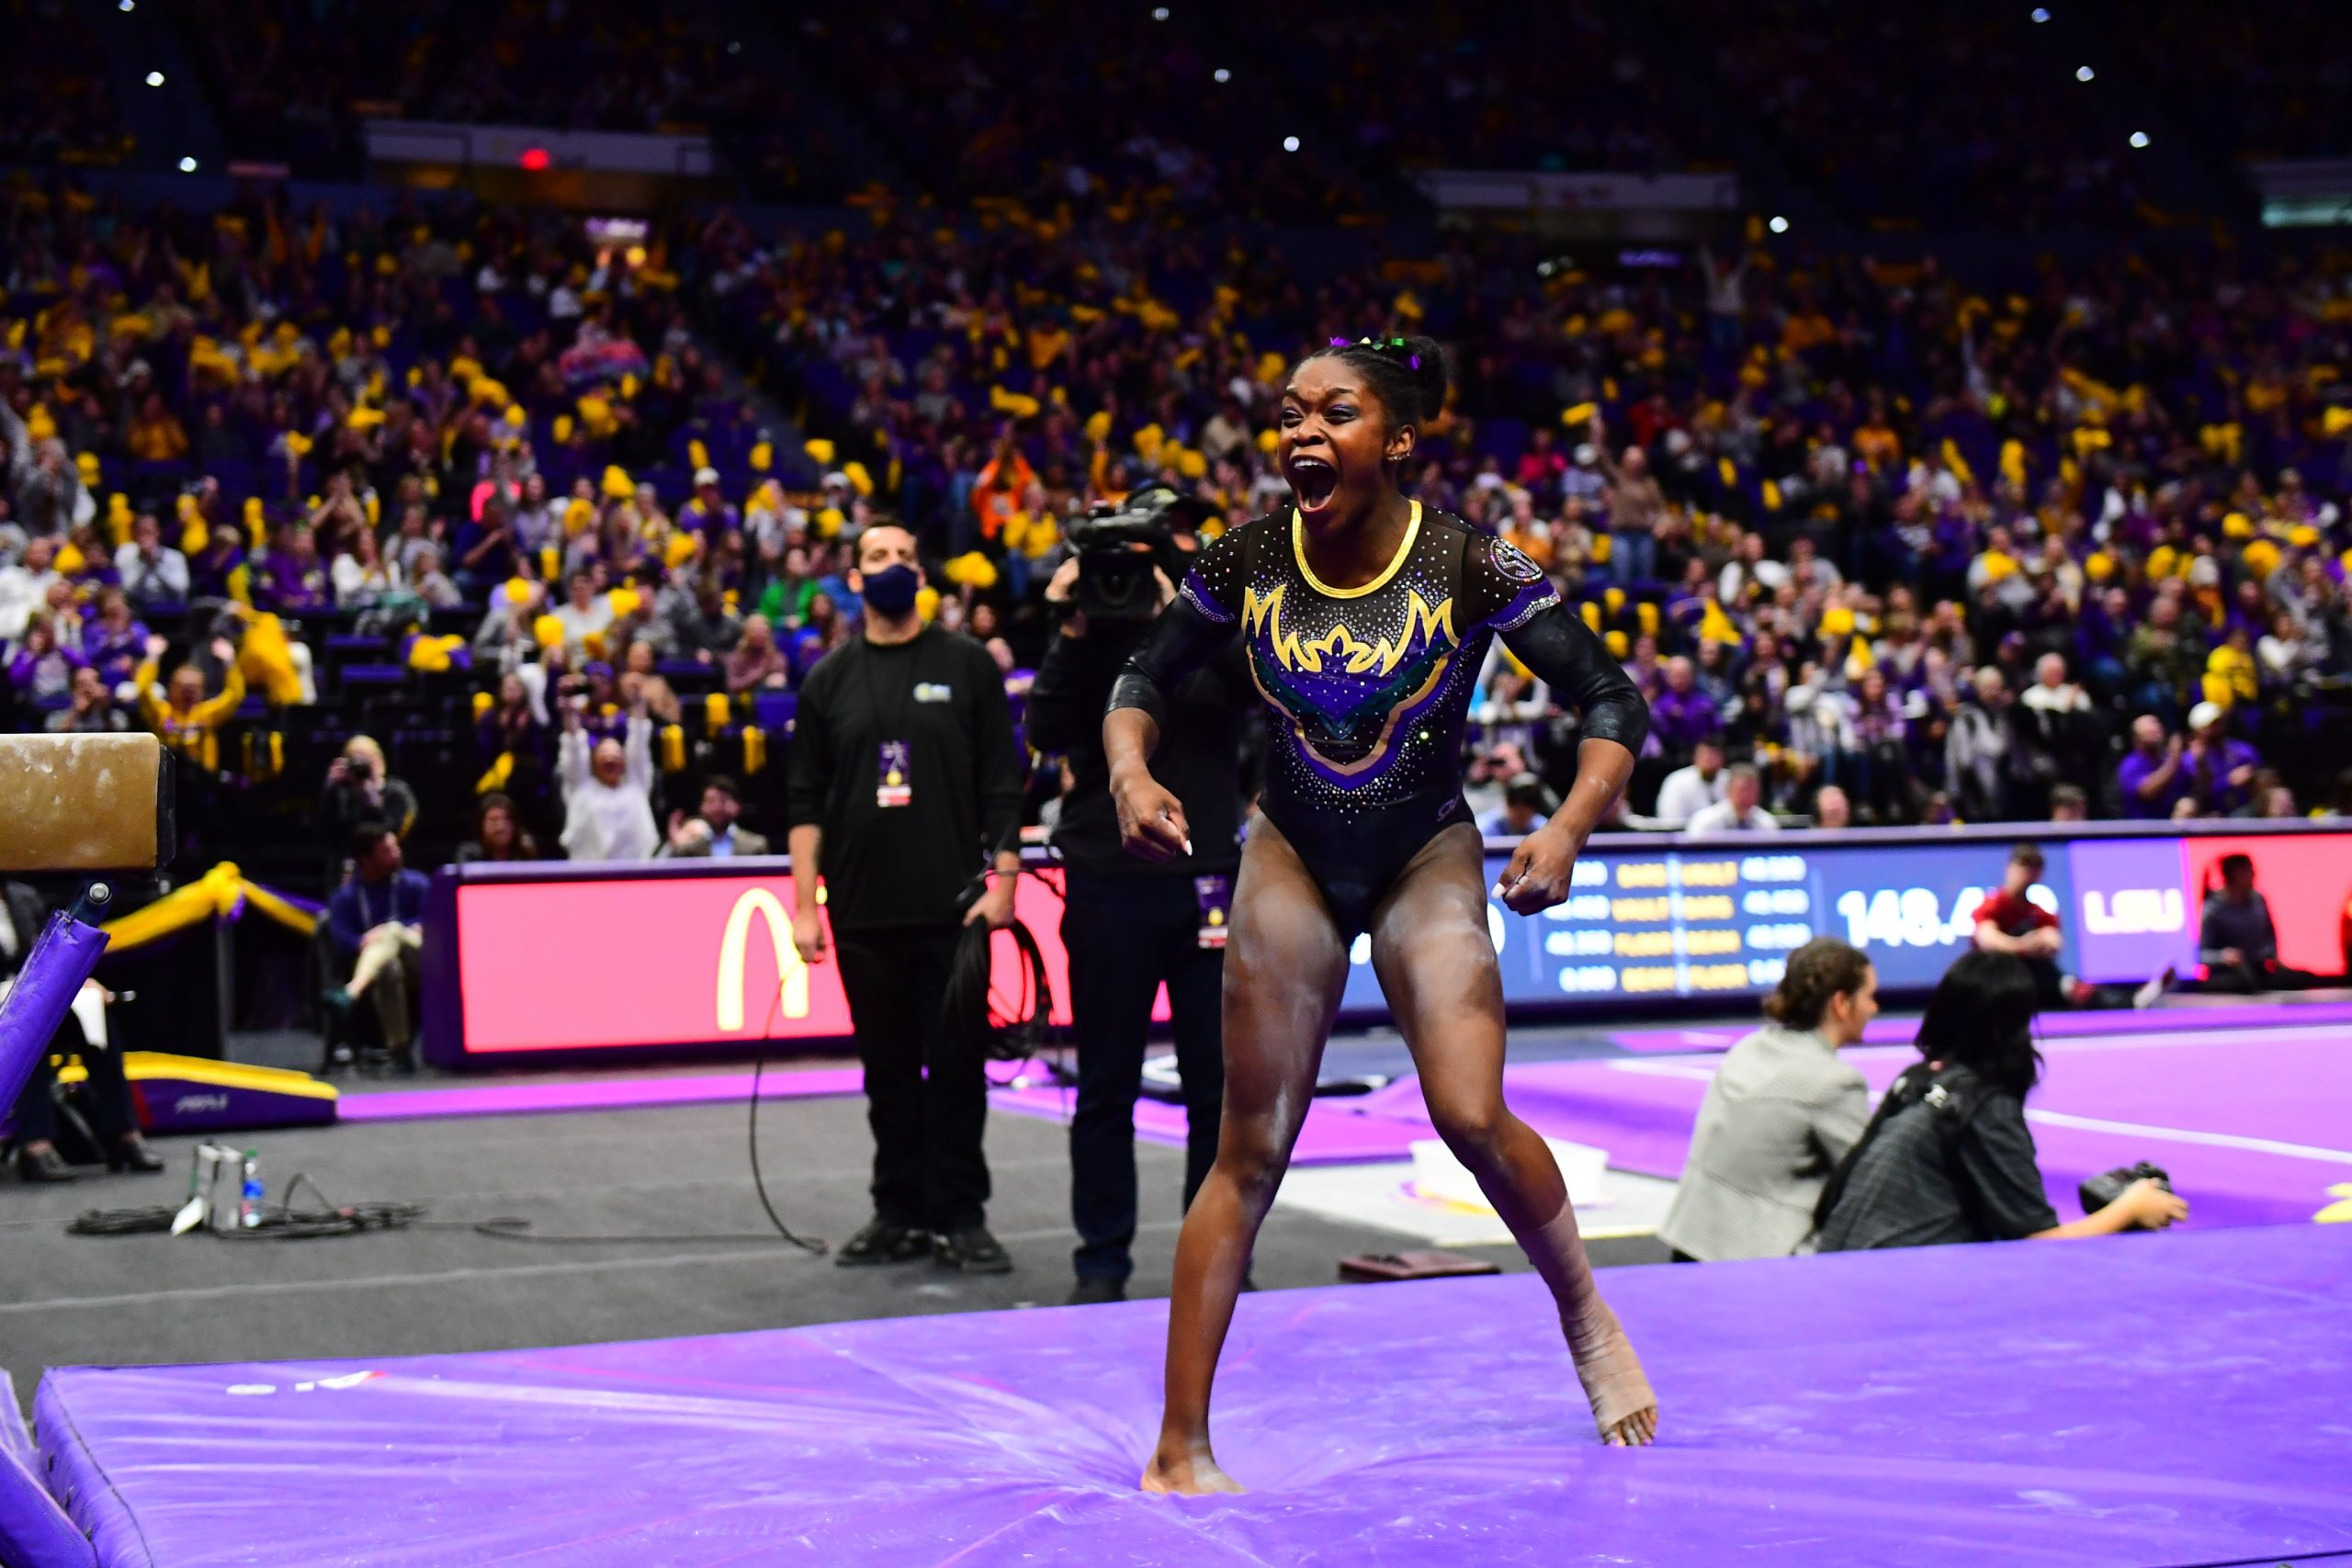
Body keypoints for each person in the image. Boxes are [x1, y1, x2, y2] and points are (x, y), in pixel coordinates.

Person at [1108, 334, 1658, 1493]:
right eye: (1289, 413)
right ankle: (1178, 1446)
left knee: (1469, 1112)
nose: (1301, 431)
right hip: (1292, 853)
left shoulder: (1468, 562)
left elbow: (1610, 697)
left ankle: (1585, 1312)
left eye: (1334, 412)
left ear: (1397, 440)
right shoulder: (1248, 557)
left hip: (1423, 852)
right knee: (1248, 1150)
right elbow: (1141, 678)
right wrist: (1127, 770)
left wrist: (1568, 828)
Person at [786, 521, 1025, 1275]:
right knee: (886, 1074)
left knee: (956, 1069)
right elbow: (805, 800)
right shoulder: (827, 679)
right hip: (862, 909)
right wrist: (804, 906)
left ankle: (960, 1214)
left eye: (903, 556)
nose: (892, 566)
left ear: (921, 574)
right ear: (854, 578)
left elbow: (1001, 780)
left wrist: (1006, 882)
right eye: (877, 556)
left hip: (956, 910)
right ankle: (898, 1211)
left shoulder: (967, 664)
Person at [1025, 541, 1254, 1305]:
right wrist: (1070, 627)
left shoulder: (1210, 645)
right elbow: (1046, 726)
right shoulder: (1088, 644)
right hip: (1107, 879)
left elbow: (1255, 690)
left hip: (1204, 879)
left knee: (1216, 1088)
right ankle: (1101, 1260)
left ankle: (1218, 1259)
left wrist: (1185, 613)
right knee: (1105, 1083)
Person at [1815, 952, 2188, 1251]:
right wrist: (2129, 1208)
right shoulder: (1984, 1106)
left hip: (1838, 1261)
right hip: (1891, 1281)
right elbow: (2040, 1244)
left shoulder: (1915, 1081)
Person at [1657, 938, 1876, 1261]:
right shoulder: (1836, 1083)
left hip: (1690, 1242)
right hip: (1757, 1261)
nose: (1874, 1009)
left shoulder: (1748, 1047)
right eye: (1870, 997)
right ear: (1841, 1003)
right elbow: (1872, 1181)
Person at [3, 880, 163, 1182]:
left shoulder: (23, 896)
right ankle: (36, 1145)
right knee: (29, 1032)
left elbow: (50, 953)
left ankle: (123, 1134)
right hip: (6, 1014)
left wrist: (82, 980)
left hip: (30, 995)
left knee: (97, 1016)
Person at [324, 823, 429, 1068]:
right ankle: (400, 1050)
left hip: (422, 960)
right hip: (380, 966)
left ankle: (351, 992)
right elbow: (342, 941)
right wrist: (363, 940)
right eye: (387, 851)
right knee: (387, 967)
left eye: (395, 848)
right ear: (366, 860)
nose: (396, 854)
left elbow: (434, 920)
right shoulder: (345, 898)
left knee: (392, 930)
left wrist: (398, 929)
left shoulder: (416, 884)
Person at [1970, 843, 2079, 1008]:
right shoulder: (1992, 904)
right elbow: (1987, 940)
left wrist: (2037, 941)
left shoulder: (2038, 912)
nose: (2027, 873)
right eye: (2023, 865)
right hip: (1995, 979)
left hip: (2032, 981)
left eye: (2034, 867)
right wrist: (2022, 945)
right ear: (2009, 868)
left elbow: (2054, 941)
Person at [557, 688, 659, 861]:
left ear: (624, 762)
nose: (610, 758)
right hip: (588, 871)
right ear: (593, 762)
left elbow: (639, 745)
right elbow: (574, 748)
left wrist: (638, 701)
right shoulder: (581, 788)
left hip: (633, 871)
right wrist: (570, 713)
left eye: (616, 755)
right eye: (604, 755)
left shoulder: (636, 786)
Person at [318, 736, 419, 874]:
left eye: (367, 760)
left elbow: (395, 834)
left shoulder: (397, 792)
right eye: (354, 761)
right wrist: (330, 789)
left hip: (390, 872)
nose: (362, 767)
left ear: (379, 760)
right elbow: (327, 836)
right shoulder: (343, 795)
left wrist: (372, 802)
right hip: (346, 872)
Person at [659, 774, 771, 858]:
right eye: (710, 801)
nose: (717, 808)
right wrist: (673, 846)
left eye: (723, 801)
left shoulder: (756, 846)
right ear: (701, 807)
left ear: (737, 806)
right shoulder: (689, 850)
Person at [2116, 714, 2188, 820]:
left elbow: (2191, 785)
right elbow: (2148, 792)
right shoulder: (2131, 764)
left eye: (2158, 728)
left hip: (2172, 825)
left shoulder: (2166, 760)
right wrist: (2173, 760)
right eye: (2151, 732)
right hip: (2144, 827)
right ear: (2137, 739)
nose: (2157, 730)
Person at [1652, 734, 1728, 827]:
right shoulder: (1677, 781)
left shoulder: (1730, 779)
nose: (1709, 759)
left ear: (1722, 759)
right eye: (1705, 755)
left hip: (1726, 833)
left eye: (1714, 755)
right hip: (1685, 833)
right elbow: (1670, 820)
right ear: (1694, 757)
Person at [1686, 763, 1779, 832]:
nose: (1747, 796)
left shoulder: (1767, 824)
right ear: (1728, 791)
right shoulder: (1706, 822)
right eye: (1742, 790)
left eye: (1752, 791)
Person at [453, 793, 540, 863]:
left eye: (507, 819)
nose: (501, 826)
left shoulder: (524, 853)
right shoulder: (469, 855)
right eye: (493, 820)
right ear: (481, 825)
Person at [1477, 773, 1555, 837]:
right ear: (1506, 801)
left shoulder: (1542, 828)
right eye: (1516, 800)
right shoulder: (1485, 827)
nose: (1523, 808)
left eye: (1531, 801)